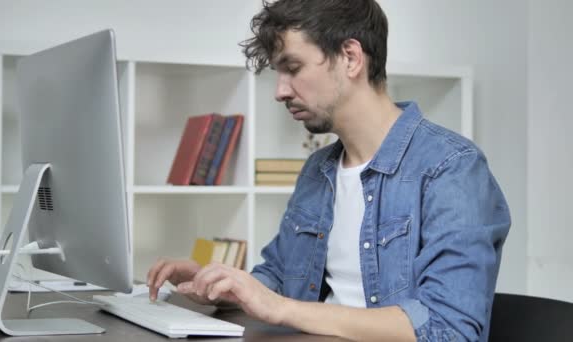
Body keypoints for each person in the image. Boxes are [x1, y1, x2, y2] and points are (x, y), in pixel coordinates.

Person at [147, 0, 511, 341]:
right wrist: (219, 286)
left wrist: (281, 308)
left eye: (292, 68)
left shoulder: (452, 168)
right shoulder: (318, 170)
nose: (280, 91)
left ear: (350, 58)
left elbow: (449, 329)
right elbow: (275, 278)